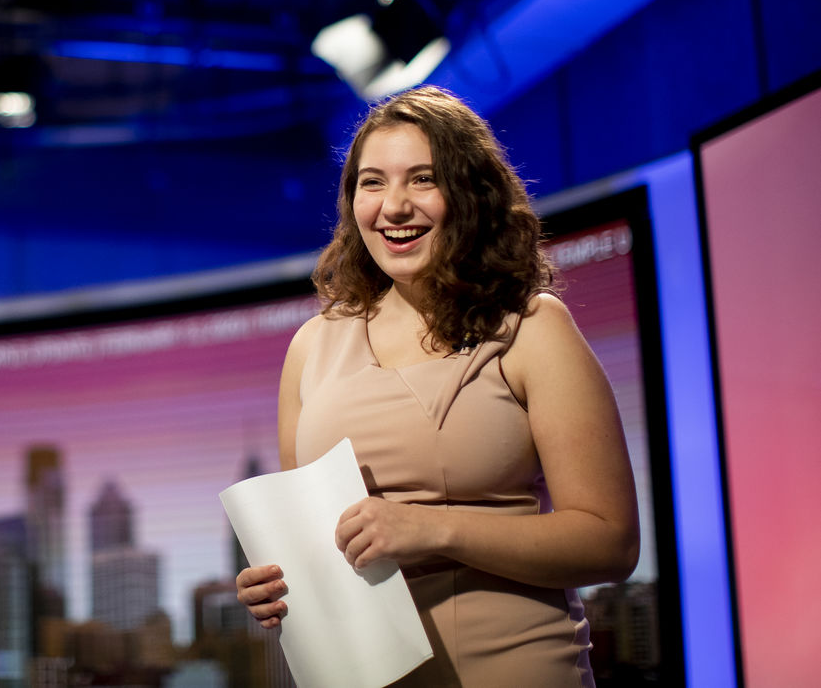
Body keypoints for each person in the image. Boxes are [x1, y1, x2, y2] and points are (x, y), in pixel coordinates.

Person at [235, 86, 639, 686]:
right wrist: (275, 584)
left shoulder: (531, 328)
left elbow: (610, 542)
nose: (393, 206)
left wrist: (431, 527)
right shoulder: (310, 347)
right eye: (371, 183)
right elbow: (312, 542)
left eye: (422, 179)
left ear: (470, 194)